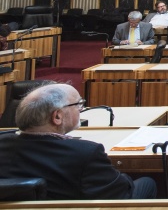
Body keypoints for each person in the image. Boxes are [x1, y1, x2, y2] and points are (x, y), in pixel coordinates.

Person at [0, 82, 157, 200]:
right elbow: (121, 193)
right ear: (57, 116)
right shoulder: (86, 153)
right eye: (78, 104)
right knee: (147, 182)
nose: (81, 109)